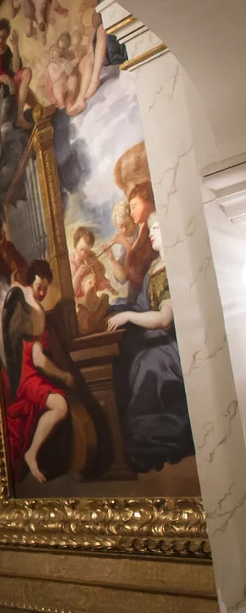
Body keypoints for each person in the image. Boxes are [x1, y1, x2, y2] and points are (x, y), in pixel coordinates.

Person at [104, 145, 195, 472]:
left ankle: (152, 441)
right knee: (130, 357)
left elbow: (165, 315)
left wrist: (128, 313)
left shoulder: (169, 262)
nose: (130, 210)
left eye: (134, 201)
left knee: (147, 364)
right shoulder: (154, 260)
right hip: (158, 327)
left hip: (172, 339)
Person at [0, 261, 71, 484]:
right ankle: (31, 454)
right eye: (39, 286)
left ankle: (34, 453)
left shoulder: (21, 296)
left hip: (23, 371)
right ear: (32, 281)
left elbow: (15, 288)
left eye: (45, 288)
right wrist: (64, 375)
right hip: (26, 374)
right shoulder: (35, 311)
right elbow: (38, 359)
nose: (42, 292)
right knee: (60, 406)